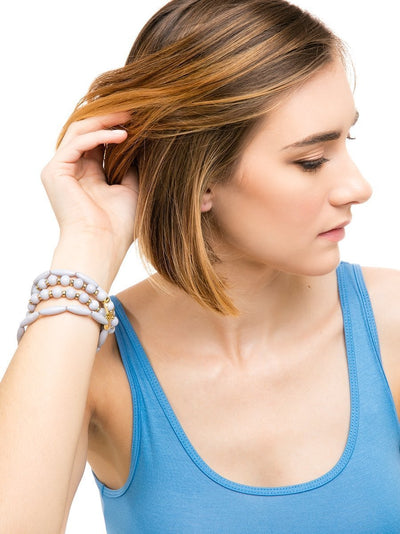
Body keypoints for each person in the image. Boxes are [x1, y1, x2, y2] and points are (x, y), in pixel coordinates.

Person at [1, 0, 400, 532]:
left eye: (345, 140)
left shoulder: (390, 324)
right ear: (201, 178)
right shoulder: (95, 367)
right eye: (310, 161)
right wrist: (87, 244)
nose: (359, 187)